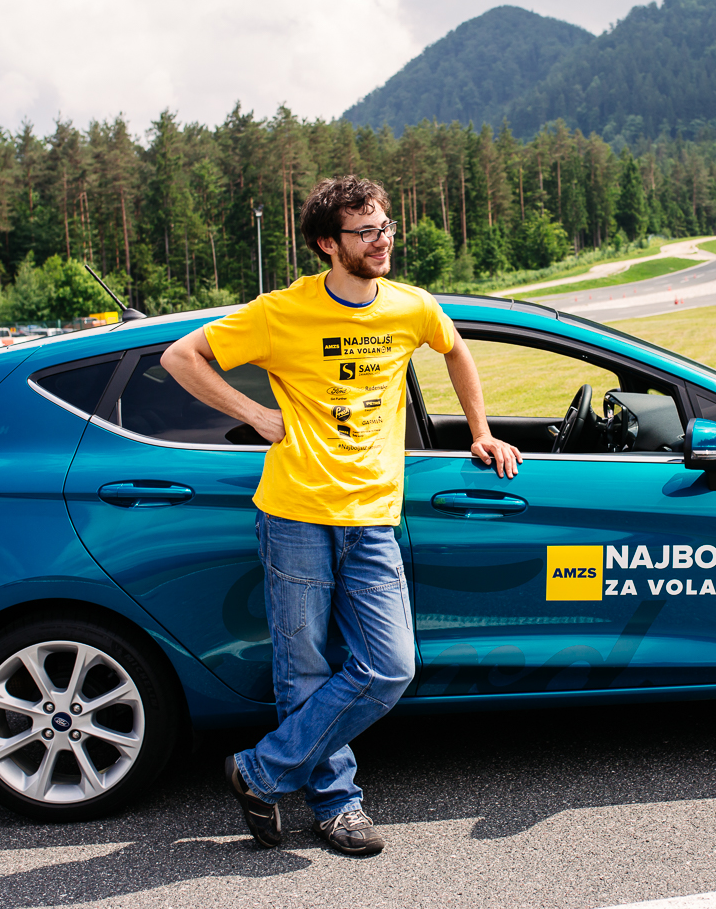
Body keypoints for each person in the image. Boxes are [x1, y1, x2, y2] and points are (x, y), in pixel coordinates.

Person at [160, 175, 521, 856]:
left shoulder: (410, 307)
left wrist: (480, 430)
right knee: (303, 671)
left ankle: (260, 772)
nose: (382, 241)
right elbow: (182, 357)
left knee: (390, 667)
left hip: (373, 516)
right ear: (329, 244)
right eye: (366, 232)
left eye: (385, 227)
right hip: (295, 514)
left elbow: (455, 349)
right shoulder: (281, 312)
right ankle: (337, 805)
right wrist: (254, 413)